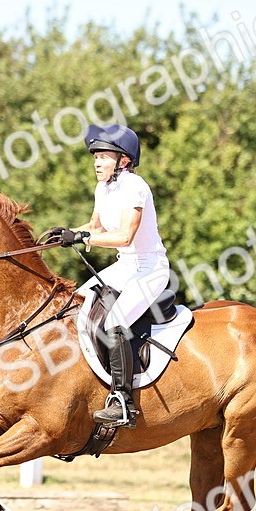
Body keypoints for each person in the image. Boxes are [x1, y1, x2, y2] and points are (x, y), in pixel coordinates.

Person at [53, 124, 170, 428]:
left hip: (149, 267)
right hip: (124, 266)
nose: (96, 162)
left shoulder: (136, 187)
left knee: (115, 322)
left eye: (103, 156)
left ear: (124, 160)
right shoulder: (102, 188)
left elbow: (126, 236)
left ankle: (122, 401)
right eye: (95, 157)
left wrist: (81, 237)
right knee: (74, 305)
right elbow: (97, 228)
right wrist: (65, 233)